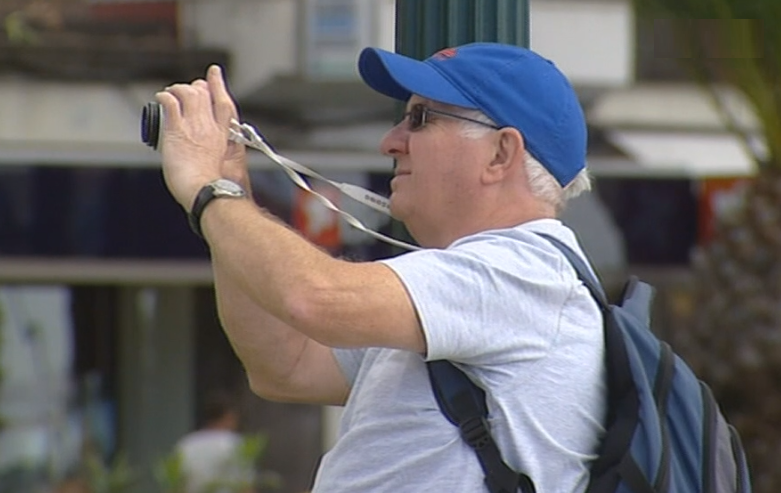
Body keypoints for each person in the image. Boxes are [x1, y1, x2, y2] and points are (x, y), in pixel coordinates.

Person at [154, 42, 606, 492]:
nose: (390, 142)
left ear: (500, 154)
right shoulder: (482, 283)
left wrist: (208, 190)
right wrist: (229, 184)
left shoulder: (524, 270)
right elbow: (286, 366)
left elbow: (314, 298)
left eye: (420, 119)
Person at [175, 391, 255, 493]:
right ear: (229, 416)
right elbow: (245, 486)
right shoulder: (234, 443)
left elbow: (178, 485)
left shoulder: (187, 444)